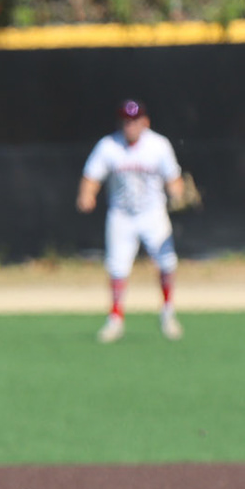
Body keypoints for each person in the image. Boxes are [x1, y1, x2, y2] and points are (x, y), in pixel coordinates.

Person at [77, 99, 186, 343]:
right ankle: (115, 318)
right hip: (121, 215)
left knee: (167, 263)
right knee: (117, 267)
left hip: (152, 213)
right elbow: (91, 175)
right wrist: (87, 194)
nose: (131, 125)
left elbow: (174, 178)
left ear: (145, 121)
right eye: (126, 121)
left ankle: (168, 313)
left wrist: (178, 193)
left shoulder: (158, 145)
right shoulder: (109, 146)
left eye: (135, 120)